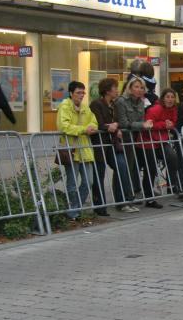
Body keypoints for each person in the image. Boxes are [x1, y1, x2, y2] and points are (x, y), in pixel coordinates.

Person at [89, 77, 138, 215]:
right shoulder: (96, 104)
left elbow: (118, 121)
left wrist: (117, 127)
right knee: (99, 173)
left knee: (122, 166)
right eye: (115, 88)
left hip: (112, 143)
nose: (117, 90)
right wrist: (108, 127)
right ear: (107, 90)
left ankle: (123, 201)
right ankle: (100, 207)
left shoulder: (114, 104)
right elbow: (97, 123)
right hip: (100, 143)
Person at [56, 81, 98, 220]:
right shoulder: (64, 106)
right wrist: (84, 129)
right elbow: (64, 126)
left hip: (85, 149)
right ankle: (73, 212)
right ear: (71, 93)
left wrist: (91, 127)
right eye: (78, 92)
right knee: (72, 183)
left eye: (83, 92)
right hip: (71, 149)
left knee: (88, 181)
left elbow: (94, 121)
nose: (81, 95)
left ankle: (76, 208)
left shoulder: (85, 107)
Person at [116, 75, 156, 205]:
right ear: (130, 87)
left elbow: (141, 120)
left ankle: (131, 195)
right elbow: (123, 123)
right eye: (136, 87)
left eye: (141, 87)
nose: (139, 90)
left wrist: (144, 124)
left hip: (135, 138)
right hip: (123, 138)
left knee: (133, 167)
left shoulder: (141, 102)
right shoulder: (121, 101)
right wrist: (142, 125)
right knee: (125, 168)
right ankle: (124, 199)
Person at [144, 88, 183, 200]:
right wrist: (164, 125)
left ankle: (172, 185)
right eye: (168, 97)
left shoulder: (174, 109)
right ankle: (148, 194)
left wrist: (170, 125)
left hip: (162, 140)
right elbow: (149, 124)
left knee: (173, 157)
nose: (170, 99)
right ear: (163, 98)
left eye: (172, 97)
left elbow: (173, 122)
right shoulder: (156, 109)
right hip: (149, 140)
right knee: (150, 167)